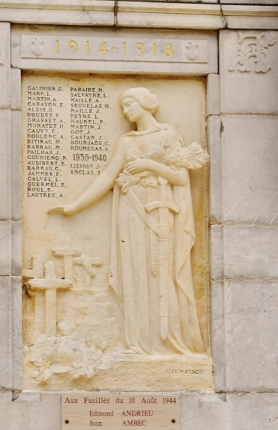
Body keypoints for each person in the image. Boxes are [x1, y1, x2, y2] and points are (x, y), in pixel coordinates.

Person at [49, 87, 207, 356]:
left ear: (146, 103)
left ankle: (166, 343)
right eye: (124, 106)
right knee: (134, 274)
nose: (125, 111)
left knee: (161, 274)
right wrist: (75, 205)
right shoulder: (126, 141)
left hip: (160, 214)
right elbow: (108, 177)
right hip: (131, 215)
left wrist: (149, 165)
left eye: (130, 104)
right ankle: (138, 342)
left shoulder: (167, 135)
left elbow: (180, 178)